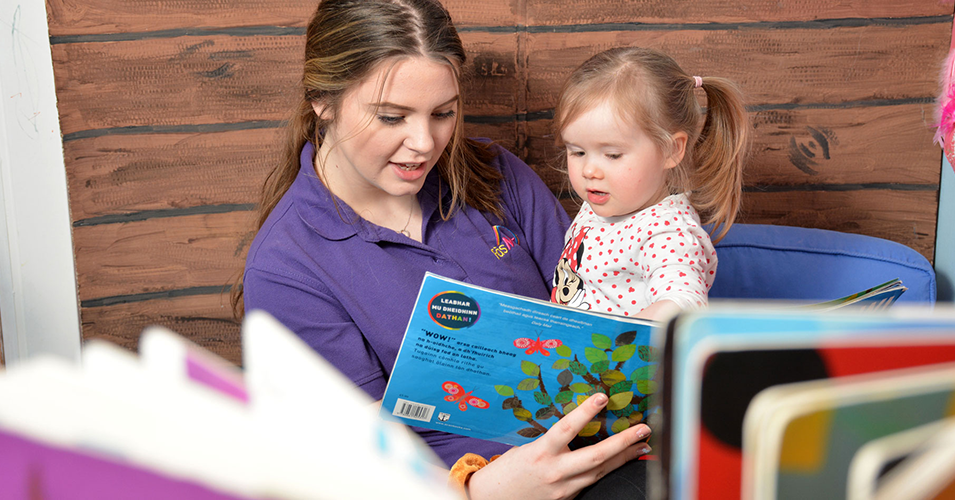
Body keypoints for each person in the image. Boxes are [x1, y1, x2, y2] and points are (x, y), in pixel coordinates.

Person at [236, 0, 651, 498]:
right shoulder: (286, 267)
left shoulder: (497, 174)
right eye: (392, 117)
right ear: (323, 102)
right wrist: (481, 490)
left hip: (609, 450)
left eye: (443, 113)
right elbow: (355, 461)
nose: (424, 143)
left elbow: (594, 308)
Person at [549, 47, 750, 321]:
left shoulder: (666, 234)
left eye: (613, 155)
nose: (589, 170)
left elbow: (683, 303)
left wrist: (621, 335)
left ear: (670, 150)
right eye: (577, 152)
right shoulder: (605, 201)